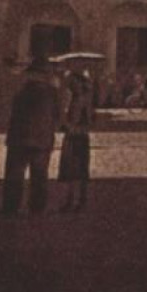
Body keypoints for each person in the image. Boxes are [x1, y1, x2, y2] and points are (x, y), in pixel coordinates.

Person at [3, 59, 59, 217]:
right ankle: (37, 208)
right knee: (39, 176)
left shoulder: (21, 92)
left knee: (15, 175)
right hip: (41, 140)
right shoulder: (51, 93)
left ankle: (11, 207)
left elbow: (12, 114)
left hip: (18, 139)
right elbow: (57, 116)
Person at [57, 70, 94, 212]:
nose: (70, 86)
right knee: (79, 169)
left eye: (72, 83)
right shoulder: (81, 99)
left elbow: (78, 120)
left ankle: (74, 200)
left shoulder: (79, 101)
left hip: (75, 136)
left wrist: (68, 125)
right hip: (80, 136)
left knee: (73, 169)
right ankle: (78, 200)